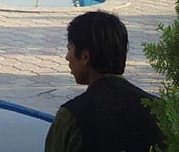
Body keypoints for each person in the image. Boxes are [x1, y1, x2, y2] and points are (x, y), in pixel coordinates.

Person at [45, 11, 165, 152]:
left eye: (69, 49)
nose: (67, 57)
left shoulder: (72, 117)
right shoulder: (160, 110)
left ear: (85, 56)